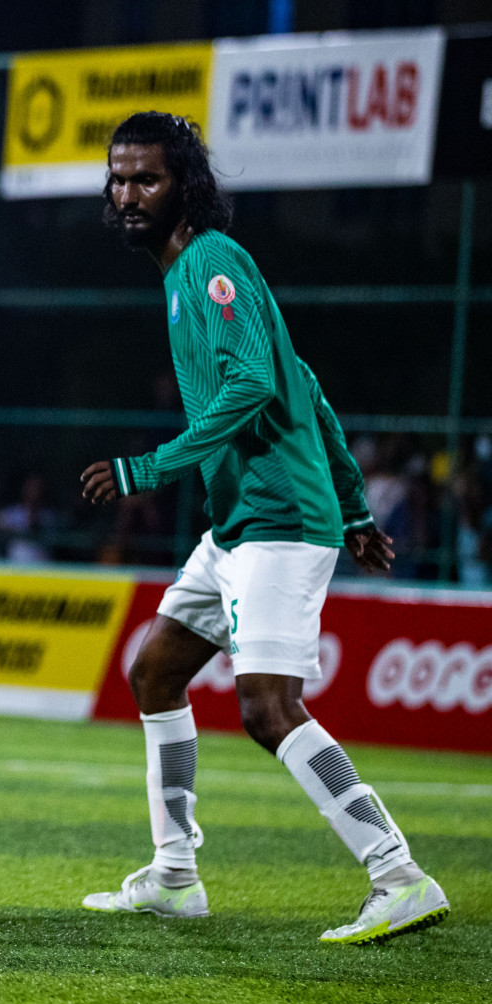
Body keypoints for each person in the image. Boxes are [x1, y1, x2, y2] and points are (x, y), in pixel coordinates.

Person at [78, 111, 448, 945]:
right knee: (155, 673)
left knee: (267, 707)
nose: (127, 193)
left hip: (277, 518)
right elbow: (305, 385)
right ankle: (174, 874)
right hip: (242, 524)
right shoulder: (182, 275)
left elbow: (251, 387)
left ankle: (399, 874)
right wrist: (355, 506)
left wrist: (150, 467)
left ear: (186, 186)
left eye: (147, 178)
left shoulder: (211, 261)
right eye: (118, 178)